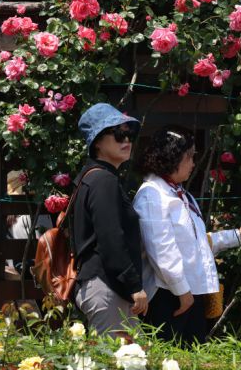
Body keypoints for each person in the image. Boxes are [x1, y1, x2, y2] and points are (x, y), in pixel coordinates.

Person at [133, 127, 241, 344]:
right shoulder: (152, 195)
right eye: (189, 157)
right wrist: (183, 292)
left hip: (187, 295)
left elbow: (197, 243)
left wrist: (239, 235)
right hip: (169, 296)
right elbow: (162, 251)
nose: (193, 163)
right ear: (171, 158)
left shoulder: (180, 194)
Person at [73, 102, 147, 337]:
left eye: (129, 134)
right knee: (123, 360)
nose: (126, 140)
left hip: (104, 287)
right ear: (96, 142)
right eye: (117, 134)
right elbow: (110, 239)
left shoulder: (90, 179)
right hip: (108, 288)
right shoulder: (104, 181)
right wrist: (134, 286)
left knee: (132, 358)